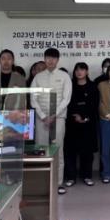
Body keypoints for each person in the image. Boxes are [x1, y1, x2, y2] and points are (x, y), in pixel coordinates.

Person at [30, 48, 72, 195]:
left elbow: (66, 98)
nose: (50, 61)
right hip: (41, 119)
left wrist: (54, 115)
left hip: (58, 119)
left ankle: (58, 183)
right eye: (48, 58)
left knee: (57, 150)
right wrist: (43, 116)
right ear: (44, 59)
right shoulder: (38, 77)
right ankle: (42, 183)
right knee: (41, 150)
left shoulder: (64, 76)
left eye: (53, 58)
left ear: (58, 60)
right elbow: (33, 98)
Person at [63, 62, 99, 187]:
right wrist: (76, 116)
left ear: (87, 71)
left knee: (87, 152)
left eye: (82, 69)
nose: (79, 72)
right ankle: (71, 177)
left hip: (88, 124)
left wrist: (85, 118)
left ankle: (87, 176)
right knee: (70, 151)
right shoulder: (70, 85)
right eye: (77, 70)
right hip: (72, 123)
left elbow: (94, 105)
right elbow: (67, 103)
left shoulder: (93, 86)